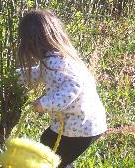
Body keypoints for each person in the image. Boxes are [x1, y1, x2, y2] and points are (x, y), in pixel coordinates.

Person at [16, 9, 107, 168]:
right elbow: (40, 73)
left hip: (80, 126)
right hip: (79, 123)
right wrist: (14, 77)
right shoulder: (56, 58)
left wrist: (45, 104)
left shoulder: (56, 63)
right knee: (48, 143)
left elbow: (74, 85)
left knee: (52, 159)